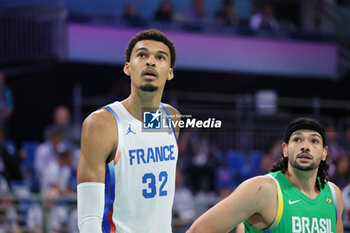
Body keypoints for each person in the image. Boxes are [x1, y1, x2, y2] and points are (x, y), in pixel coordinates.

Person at [77, 29, 180, 233]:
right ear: (127, 68)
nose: (150, 62)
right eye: (142, 55)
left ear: (170, 72)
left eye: (160, 57)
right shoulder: (101, 124)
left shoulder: (171, 118)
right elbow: (89, 218)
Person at [187, 117, 344, 233]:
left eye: (314, 141)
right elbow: (199, 230)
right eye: (297, 139)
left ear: (324, 153)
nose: (305, 146)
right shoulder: (263, 189)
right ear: (285, 149)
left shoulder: (333, 194)